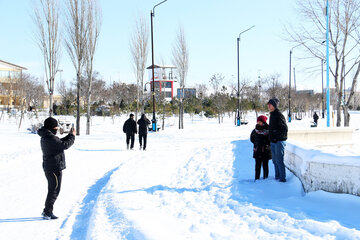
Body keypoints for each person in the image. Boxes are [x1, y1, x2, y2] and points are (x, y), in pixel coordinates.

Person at [37, 117, 75, 220]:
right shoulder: (49, 137)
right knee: (53, 190)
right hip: (53, 168)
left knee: (55, 189)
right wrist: (72, 136)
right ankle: (47, 212)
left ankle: (47, 211)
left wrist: (69, 135)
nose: (57, 129)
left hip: (52, 166)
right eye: (56, 127)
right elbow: (65, 145)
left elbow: (59, 143)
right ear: (51, 127)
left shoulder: (48, 136)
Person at [267, 97, 288, 182]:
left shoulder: (279, 115)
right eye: (268, 104)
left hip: (279, 141)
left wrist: (276, 137)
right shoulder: (271, 115)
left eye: (270, 104)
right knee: (274, 160)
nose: (268, 106)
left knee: (279, 160)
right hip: (273, 141)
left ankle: (282, 179)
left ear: (274, 105)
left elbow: (284, 129)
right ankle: (277, 176)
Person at [250, 115, 272, 180]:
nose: (259, 123)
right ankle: (257, 178)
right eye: (258, 122)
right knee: (257, 165)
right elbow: (252, 138)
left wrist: (266, 143)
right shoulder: (255, 130)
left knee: (265, 165)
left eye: (260, 122)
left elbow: (270, 139)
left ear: (263, 122)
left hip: (265, 150)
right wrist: (256, 143)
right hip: (257, 150)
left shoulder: (268, 130)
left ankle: (266, 178)